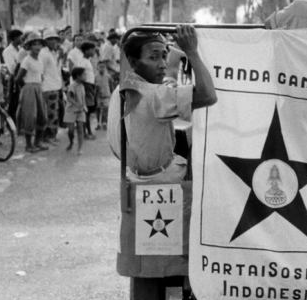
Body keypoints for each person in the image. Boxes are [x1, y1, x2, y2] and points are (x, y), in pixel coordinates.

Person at [107, 24, 217, 182]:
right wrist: (192, 52)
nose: (162, 64)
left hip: (133, 175)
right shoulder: (155, 95)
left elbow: (169, 77)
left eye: (164, 56)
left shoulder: (121, 89)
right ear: (132, 62)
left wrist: (174, 60)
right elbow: (208, 95)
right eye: (153, 57)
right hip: (162, 178)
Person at [15, 32, 48, 153]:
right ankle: (28, 144)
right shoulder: (26, 60)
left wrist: (39, 85)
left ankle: (38, 141)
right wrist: (27, 87)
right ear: (29, 46)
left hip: (39, 88)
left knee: (42, 116)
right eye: (34, 44)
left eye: (39, 44)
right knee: (30, 116)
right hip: (29, 88)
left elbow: (41, 75)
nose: (37, 47)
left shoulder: (40, 60)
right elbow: (18, 78)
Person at [40, 29, 63, 142]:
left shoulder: (53, 53)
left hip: (55, 86)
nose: (54, 42)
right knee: (50, 112)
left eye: (55, 39)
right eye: (51, 39)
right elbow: (42, 71)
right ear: (46, 41)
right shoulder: (44, 54)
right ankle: (48, 135)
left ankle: (52, 133)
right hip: (48, 87)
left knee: (54, 111)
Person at [76, 42, 97, 137]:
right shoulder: (82, 62)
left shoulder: (88, 61)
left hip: (90, 85)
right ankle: (86, 132)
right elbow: (80, 76)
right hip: (86, 86)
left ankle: (87, 131)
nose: (94, 51)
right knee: (86, 110)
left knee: (89, 110)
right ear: (86, 51)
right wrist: (87, 87)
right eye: (92, 50)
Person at [65, 67, 87, 154]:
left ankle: (79, 148)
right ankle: (71, 141)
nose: (86, 76)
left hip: (80, 111)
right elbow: (69, 97)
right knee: (71, 130)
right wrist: (76, 104)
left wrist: (83, 106)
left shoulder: (82, 86)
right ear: (78, 76)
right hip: (71, 110)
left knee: (80, 129)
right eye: (84, 75)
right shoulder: (72, 86)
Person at [3, 29, 24, 118]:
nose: (22, 39)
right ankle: (11, 121)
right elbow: (12, 68)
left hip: (22, 76)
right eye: (20, 37)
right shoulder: (8, 51)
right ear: (15, 38)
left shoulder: (20, 49)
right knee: (13, 101)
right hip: (14, 77)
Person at [95, 61, 112, 130]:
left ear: (105, 68)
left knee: (105, 109)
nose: (102, 68)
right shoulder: (95, 76)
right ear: (97, 68)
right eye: (100, 67)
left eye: (103, 67)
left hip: (106, 95)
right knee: (98, 109)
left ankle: (104, 123)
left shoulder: (108, 76)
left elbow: (111, 85)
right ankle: (98, 123)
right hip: (98, 96)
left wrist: (112, 94)